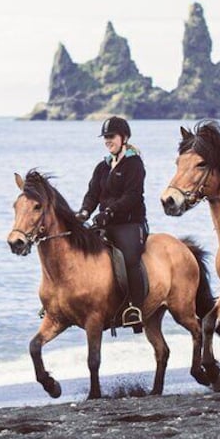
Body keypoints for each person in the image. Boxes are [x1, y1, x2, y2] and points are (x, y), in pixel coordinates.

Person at [75, 116, 148, 324]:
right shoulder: (102, 166)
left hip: (130, 224)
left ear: (123, 138)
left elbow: (133, 196)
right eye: (105, 137)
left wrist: (109, 211)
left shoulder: (134, 164)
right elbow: (92, 193)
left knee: (130, 259)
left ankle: (135, 308)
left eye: (111, 137)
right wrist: (84, 212)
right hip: (105, 223)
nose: (108, 141)